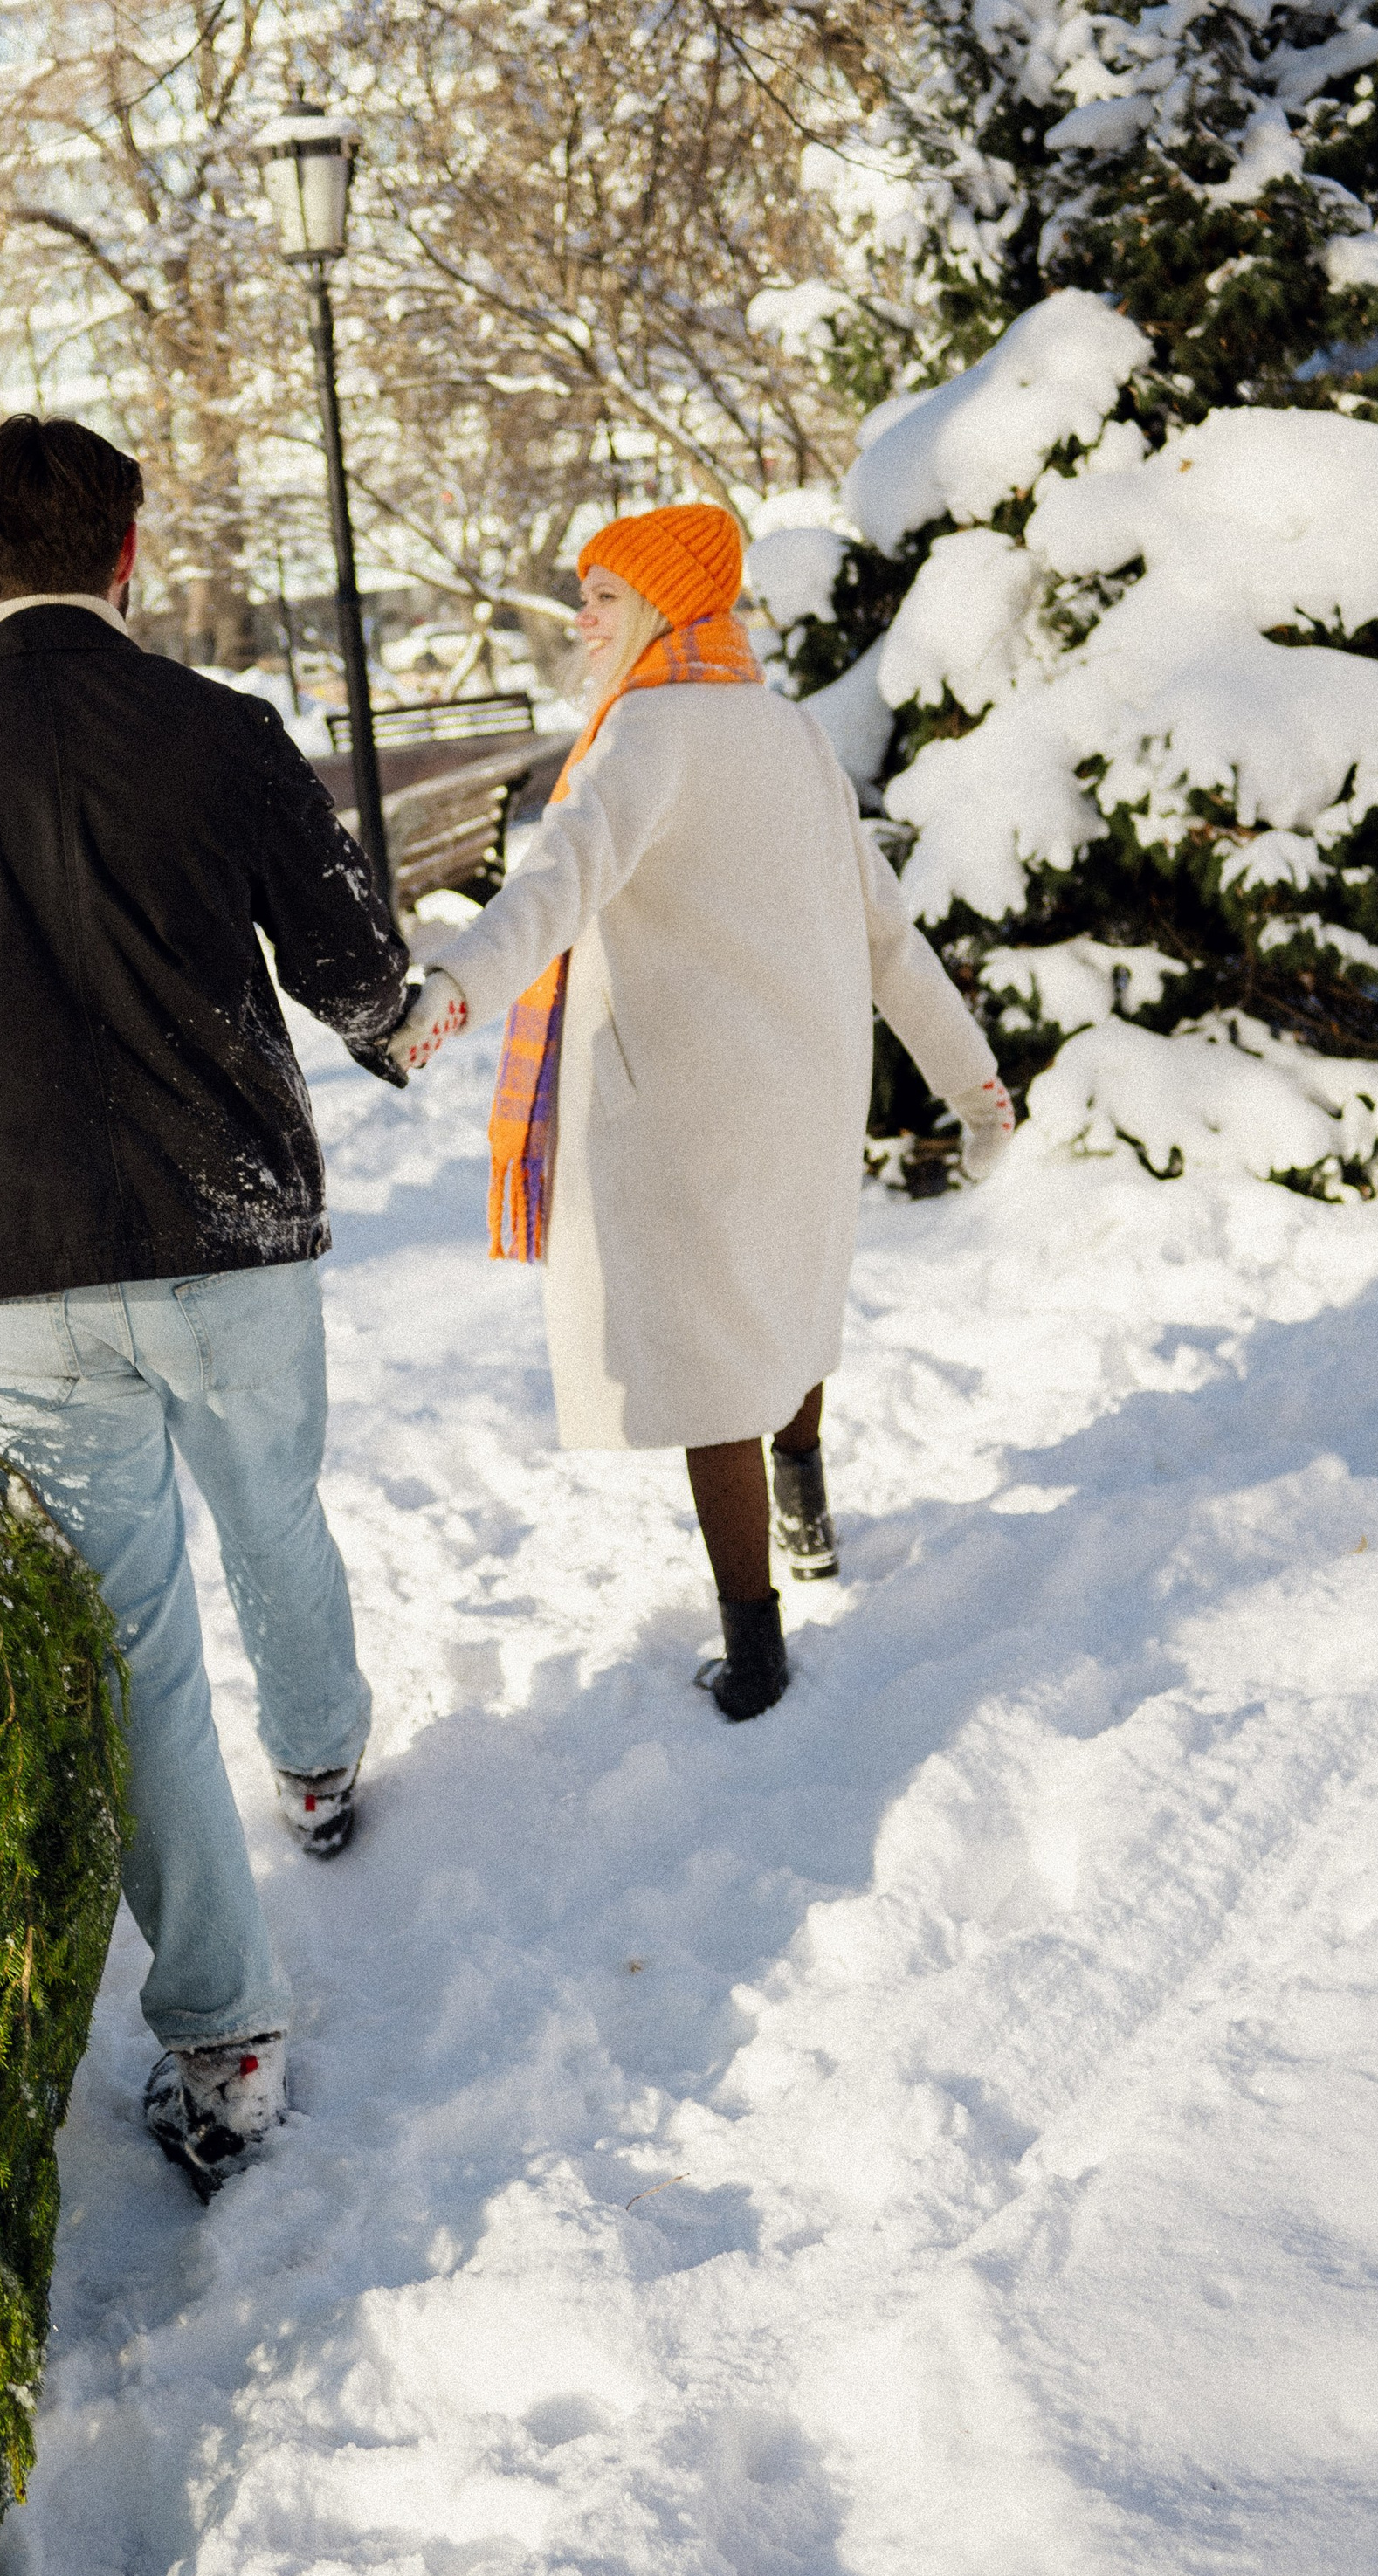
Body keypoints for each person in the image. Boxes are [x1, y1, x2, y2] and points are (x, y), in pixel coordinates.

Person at [0, 414, 413, 2194]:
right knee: (271, 1507)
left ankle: (221, 2038)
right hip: (230, 1231)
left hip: (6, 1275)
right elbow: (360, 971)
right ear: (127, 553)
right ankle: (317, 1763)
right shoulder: (226, 738)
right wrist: (407, 1020)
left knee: (125, 1650)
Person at [389, 501, 1015, 1719]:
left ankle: (757, 1651)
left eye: (603, 598)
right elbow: (890, 938)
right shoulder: (788, 734)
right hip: (807, 1095)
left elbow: (551, 890)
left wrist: (453, 990)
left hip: (684, 1110)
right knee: (785, 1308)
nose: (583, 621)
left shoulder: (645, 736)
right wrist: (975, 1085)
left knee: (711, 1366)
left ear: (666, 604)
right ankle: (809, 1521)